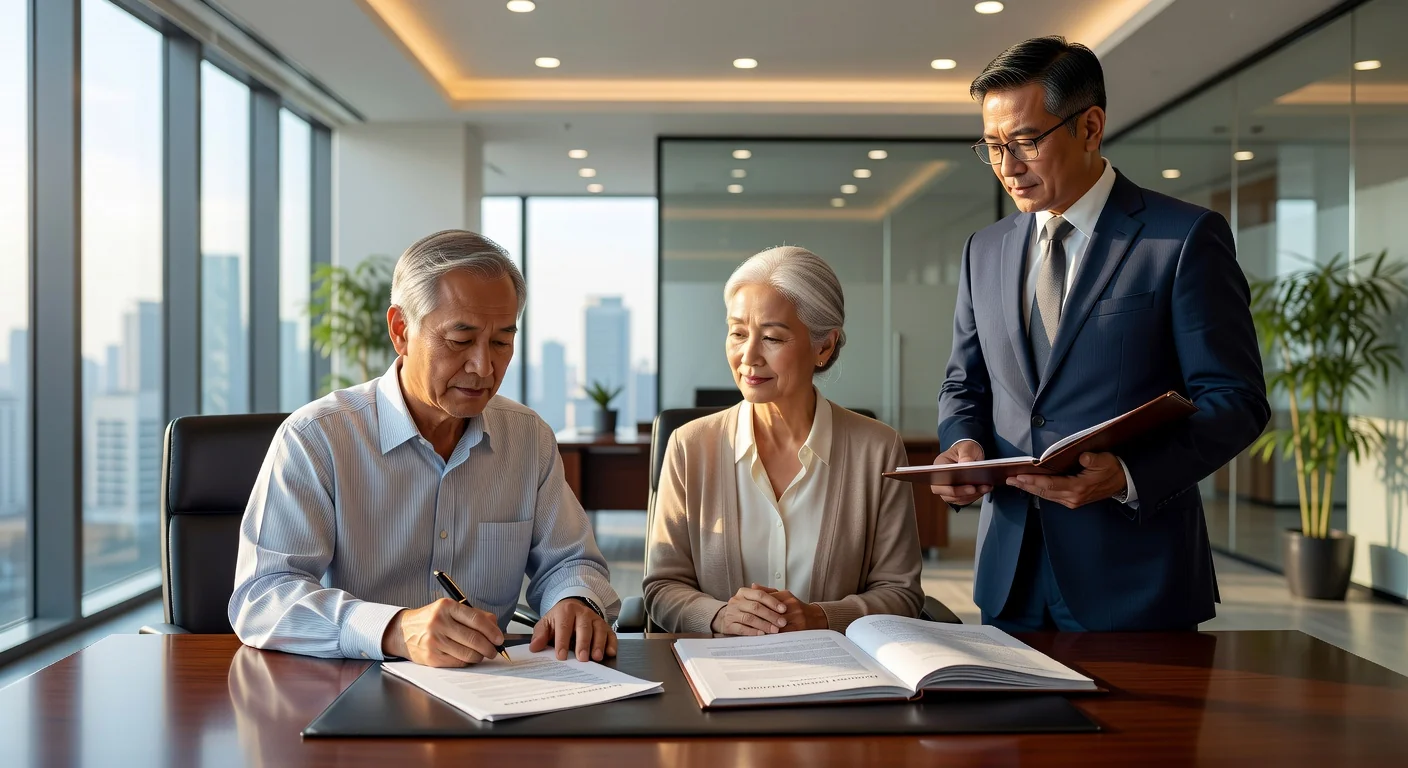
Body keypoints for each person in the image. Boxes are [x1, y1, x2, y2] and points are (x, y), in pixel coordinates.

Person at [933, 37, 1270, 632]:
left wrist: (1130, 474)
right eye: (992, 147)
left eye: (1027, 141)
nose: (1008, 167)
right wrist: (962, 446)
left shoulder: (1184, 237)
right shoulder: (982, 250)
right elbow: (964, 383)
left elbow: (1235, 400)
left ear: (1090, 127)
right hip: (1009, 577)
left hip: (1135, 578)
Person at [229, 230, 620, 666]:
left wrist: (576, 600)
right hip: (353, 688)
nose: (483, 366)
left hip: (493, 694)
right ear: (401, 331)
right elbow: (263, 597)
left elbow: (571, 561)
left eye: (501, 342)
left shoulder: (527, 439)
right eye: (459, 340)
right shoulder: (318, 438)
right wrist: (393, 630)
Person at [643, 246, 924, 635]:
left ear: (823, 346)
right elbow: (661, 587)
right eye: (738, 333)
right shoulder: (689, 447)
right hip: (718, 670)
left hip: (839, 675)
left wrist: (820, 617)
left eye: (772, 337)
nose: (749, 356)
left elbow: (901, 592)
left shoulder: (878, 449)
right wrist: (719, 615)